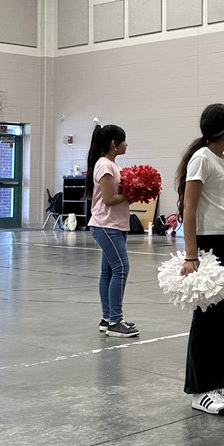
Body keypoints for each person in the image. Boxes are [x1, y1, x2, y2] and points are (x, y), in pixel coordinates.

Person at [176, 103, 224, 415]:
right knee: (205, 319)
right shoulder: (201, 159)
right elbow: (189, 209)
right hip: (207, 246)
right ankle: (199, 389)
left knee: (221, 320)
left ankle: (219, 383)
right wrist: (192, 255)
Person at [85, 124, 138, 338]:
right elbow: (108, 199)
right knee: (121, 268)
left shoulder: (111, 165)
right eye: (123, 140)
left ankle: (108, 318)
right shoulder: (104, 166)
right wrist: (132, 194)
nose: (127, 144)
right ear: (114, 144)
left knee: (109, 271)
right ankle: (116, 320)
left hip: (114, 224)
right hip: (106, 225)